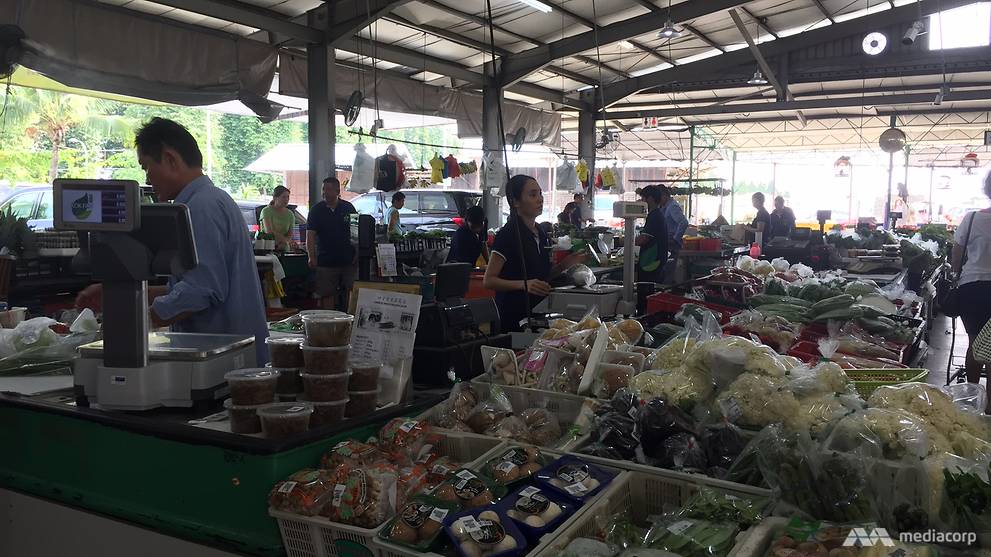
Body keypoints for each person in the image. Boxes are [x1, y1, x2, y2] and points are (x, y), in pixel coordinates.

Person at [75, 117, 269, 364]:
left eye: (146, 167)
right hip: (228, 357)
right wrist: (122, 293)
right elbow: (193, 284)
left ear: (170, 159)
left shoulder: (200, 207)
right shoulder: (208, 200)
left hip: (224, 363)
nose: (147, 179)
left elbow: (201, 291)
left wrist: (138, 323)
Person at [483, 175, 586, 333]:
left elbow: (541, 277)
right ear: (515, 202)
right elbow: (489, 280)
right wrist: (523, 284)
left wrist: (565, 264)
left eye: (540, 194)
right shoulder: (508, 235)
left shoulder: (541, 233)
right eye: (532, 195)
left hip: (538, 313)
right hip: (512, 316)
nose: (540, 199)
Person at [953, 173, 991, 406]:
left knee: (975, 343)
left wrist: (957, 272)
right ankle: (989, 410)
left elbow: (956, 256)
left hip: (972, 287)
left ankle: (971, 396)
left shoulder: (972, 218)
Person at [307, 177, 357, 311]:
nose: (325, 192)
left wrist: (357, 253)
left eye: (328, 189)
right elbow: (310, 235)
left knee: (351, 292)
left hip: (348, 260)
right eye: (323, 189)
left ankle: (349, 322)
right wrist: (311, 256)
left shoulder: (349, 207)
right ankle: (328, 323)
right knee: (326, 294)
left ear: (337, 191)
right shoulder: (316, 210)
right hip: (325, 261)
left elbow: (355, 232)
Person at [634, 186, 669, 283]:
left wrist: (626, 240)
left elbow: (643, 239)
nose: (641, 201)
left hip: (652, 263)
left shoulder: (654, 216)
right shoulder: (657, 215)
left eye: (643, 198)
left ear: (650, 199)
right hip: (654, 261)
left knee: (647, 291)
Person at [657, 185, 688, 282]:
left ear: (664, 195)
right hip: (667, 241)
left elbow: (683, 222)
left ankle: (667, 293)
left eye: (658, 197)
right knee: (665, 270)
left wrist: (675, 238)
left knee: (668, 272)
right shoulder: (665, 206)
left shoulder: (672, 206)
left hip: (671, 243)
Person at [260, 185, 298, 251]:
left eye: (288, 197)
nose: (286, 199)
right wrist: (284, 240)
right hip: (267, 245)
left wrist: (285, 242)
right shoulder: (266, 211)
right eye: (283, 197)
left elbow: (290, 235)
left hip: (283, 246)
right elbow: (268, 232)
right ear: (275, 198)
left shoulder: (290, 214)